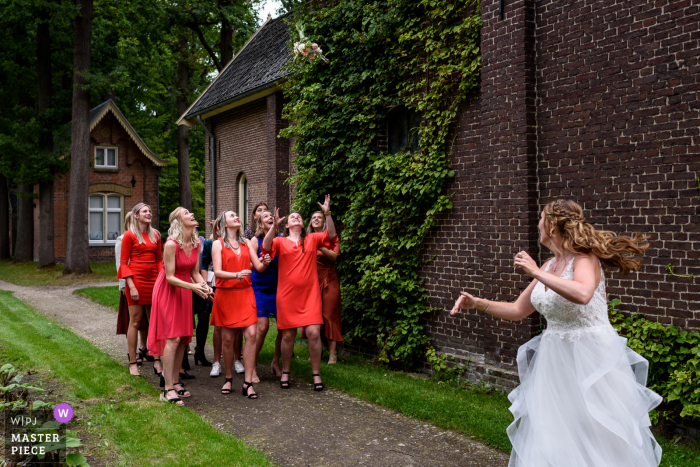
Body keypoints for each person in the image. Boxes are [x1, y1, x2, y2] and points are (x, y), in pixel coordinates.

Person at [450, 199, 661, 467]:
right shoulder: (549, 266)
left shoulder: (585, 259)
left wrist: (535, 271)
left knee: (595, 432)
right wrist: (477, 303)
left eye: (540, 219)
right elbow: (518, 310)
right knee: (555, 431)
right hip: (555, 360)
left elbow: (583, 293)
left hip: (590, 357)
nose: (537, 224)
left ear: (551, 225)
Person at [262, 195, 337, 391]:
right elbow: (266, 247)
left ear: (303, 224)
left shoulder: (312, 239)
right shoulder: (280, 241)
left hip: (310, 296)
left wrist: (327, 213)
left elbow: (330, 235)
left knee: (313, 333)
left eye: (299, 216)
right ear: (286, 225)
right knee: (287, 336)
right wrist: (273, 227)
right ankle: (285, 371)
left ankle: (316, 374)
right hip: (287, 296)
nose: (296, 217)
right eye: (292, 216)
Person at [149, 207, 211, 406]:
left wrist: (205, 286)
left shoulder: (195, 243)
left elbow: (194, 272)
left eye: (191, 213)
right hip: (169, 290)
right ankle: (166, 389)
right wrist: (194, 286)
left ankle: (175, 381)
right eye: (186, 213)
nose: (192, 214)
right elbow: (169, 277)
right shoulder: (171, 244)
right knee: (172, 338)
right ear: (178, 221)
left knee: (183, 339)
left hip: (185, 289)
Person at [211, 210, 269, 399]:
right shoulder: (217, 244)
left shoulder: (246, 243)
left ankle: (248, 382)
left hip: (245, 295)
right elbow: (218, 272)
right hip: (226, 296)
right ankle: (228, 378)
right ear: (224, 224)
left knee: (251, 335)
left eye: (237, 215)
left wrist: (265, 262)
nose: (237, 217)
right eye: (232, 216)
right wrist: (236, 275)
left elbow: (258, 267)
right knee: (227, 340)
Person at [117, 203, 162, 377]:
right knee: (135, 321)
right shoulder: (130, 236)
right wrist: (132, 286)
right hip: (136, 282)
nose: (149, 213)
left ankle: (157, 360)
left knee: (154, 322)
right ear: (136, 215)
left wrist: (159, 279)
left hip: (153, 281)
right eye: (145, 211)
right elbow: (123, 263)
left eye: (150, 211)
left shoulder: (156, 235)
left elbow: (158, 260)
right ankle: (133, 362)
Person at [249, 210, 283, 383]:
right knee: (262, 327)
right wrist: (261, 262)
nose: (270, 217)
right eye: (266, 216)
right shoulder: (255, 240)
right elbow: (250, 263)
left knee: (285, 328)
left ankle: (276, 362)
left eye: (272, 215)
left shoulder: (282, 239)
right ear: (261, 224)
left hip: (279, 288)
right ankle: (252, 366)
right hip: (259, 287)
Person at [307, 211, 343, 364]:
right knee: (313, 317)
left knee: (329, 315)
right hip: (311, 282)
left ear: (324, 222)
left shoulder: (331, 238)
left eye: (319, 217)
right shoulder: (306, 239)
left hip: (329, 279)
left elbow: (334, 256)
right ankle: (316, 351)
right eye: (314, 217)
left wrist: (320, 246)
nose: (316, 219)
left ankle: (333, 354)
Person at [200, 221, 224, 377]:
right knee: (214, 322)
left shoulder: (238, 243)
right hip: (212, 284)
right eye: (219, 226)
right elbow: (203, 264)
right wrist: (205, 286)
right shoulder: (209, 244)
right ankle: (212, 358)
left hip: (231, 285)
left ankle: (236, 359)